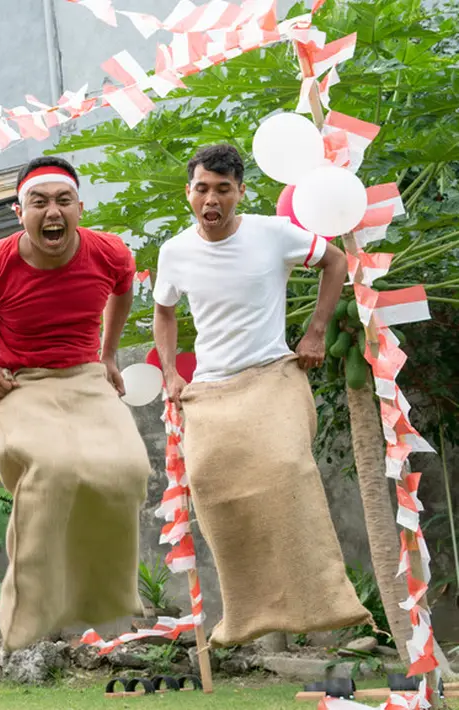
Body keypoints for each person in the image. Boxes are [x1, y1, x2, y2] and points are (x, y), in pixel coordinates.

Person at [151, 143, 369, 646]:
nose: (212, 199)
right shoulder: (175, 251)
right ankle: (246, 614)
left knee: (287, 468)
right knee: (205, 481)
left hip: (272, 375)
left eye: (223, 190)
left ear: (240, 192)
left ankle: (325, 601)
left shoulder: (274, 234)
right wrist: (169, 372)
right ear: (189, 193)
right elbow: (164, 311)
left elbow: (336, 262)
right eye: (202, 188)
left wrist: (316, 333)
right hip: (210, 390)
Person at [0, 157, 153, 652]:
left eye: (63, 201)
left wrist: (107, 355)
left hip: (85, 375)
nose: (52, 212)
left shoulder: (108, 252)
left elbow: (123, 291)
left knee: (129, 469)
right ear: (21, 212)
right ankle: (25, 621)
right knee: (55, 470)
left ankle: (107, 598)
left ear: (79, 208)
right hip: (22, 382)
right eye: (39, 202)